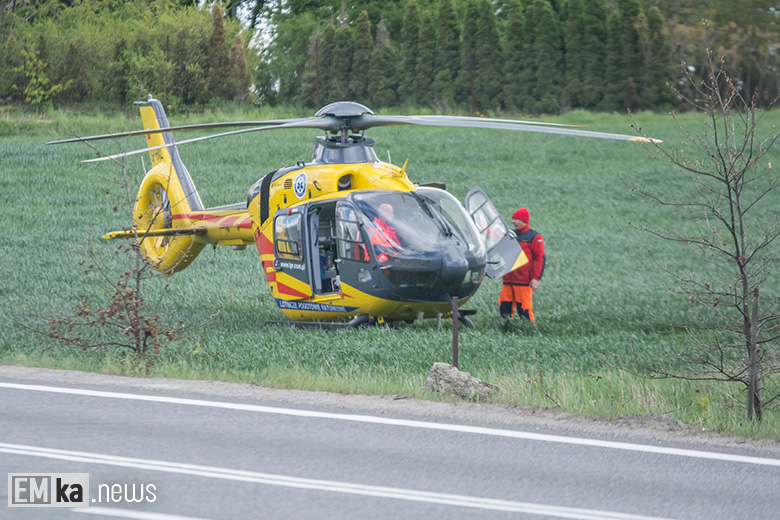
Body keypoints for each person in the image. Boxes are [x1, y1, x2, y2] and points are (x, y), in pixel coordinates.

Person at [500, 207, 545, 329]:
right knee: (504, 307)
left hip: (523, 281)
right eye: (513, 219)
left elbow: (540, 258)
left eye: (516, 219)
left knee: (524, 309)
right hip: (508, 279)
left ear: (524, 220)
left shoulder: (534, 237)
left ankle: (529, 330)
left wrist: (536, 278)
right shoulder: (510, 235)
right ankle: (506, 330)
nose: (513, 221)